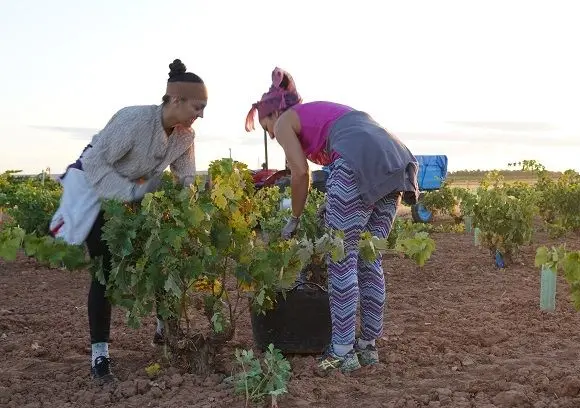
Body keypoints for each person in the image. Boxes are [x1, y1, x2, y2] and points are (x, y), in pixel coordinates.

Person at [244, 67, 419, 375]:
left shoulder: (285, 121)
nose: (271, 134)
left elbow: (301, 174)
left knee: (341, 258)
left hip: (356, 161)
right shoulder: (318, 114)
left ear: (274, 114)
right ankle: (368, 346)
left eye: (266, 125)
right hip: (395, 161)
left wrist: (294, 219)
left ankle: (341, 351)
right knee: (369, 257)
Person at [51, 59, 207, 382]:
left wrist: (188, 211)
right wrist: (129, 194)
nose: (201, 115)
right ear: (176, 99)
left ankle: (165, 330)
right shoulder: (134, 120)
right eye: (198, 107)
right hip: (95, 187)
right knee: (105, 270)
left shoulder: (184, 137)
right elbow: (95, 163)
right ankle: (100, 355)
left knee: (164, 254)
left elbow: (186, 179)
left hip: (135, 193)